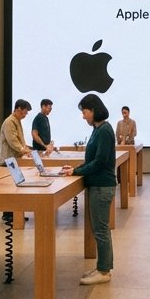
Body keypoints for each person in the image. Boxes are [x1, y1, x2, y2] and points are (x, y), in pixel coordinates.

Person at [62, 94, 117, 285]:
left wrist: (77, 171)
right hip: (97, 185)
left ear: (93, 111)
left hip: (102, 186)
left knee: (101, 230)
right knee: (99, 229)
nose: (83, 116)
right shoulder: (98, 129)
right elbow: (92, 160)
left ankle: (104, 271)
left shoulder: (104, 130)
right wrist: (75, 169)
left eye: (85, 112)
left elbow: (100, 161)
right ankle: (102, 266)